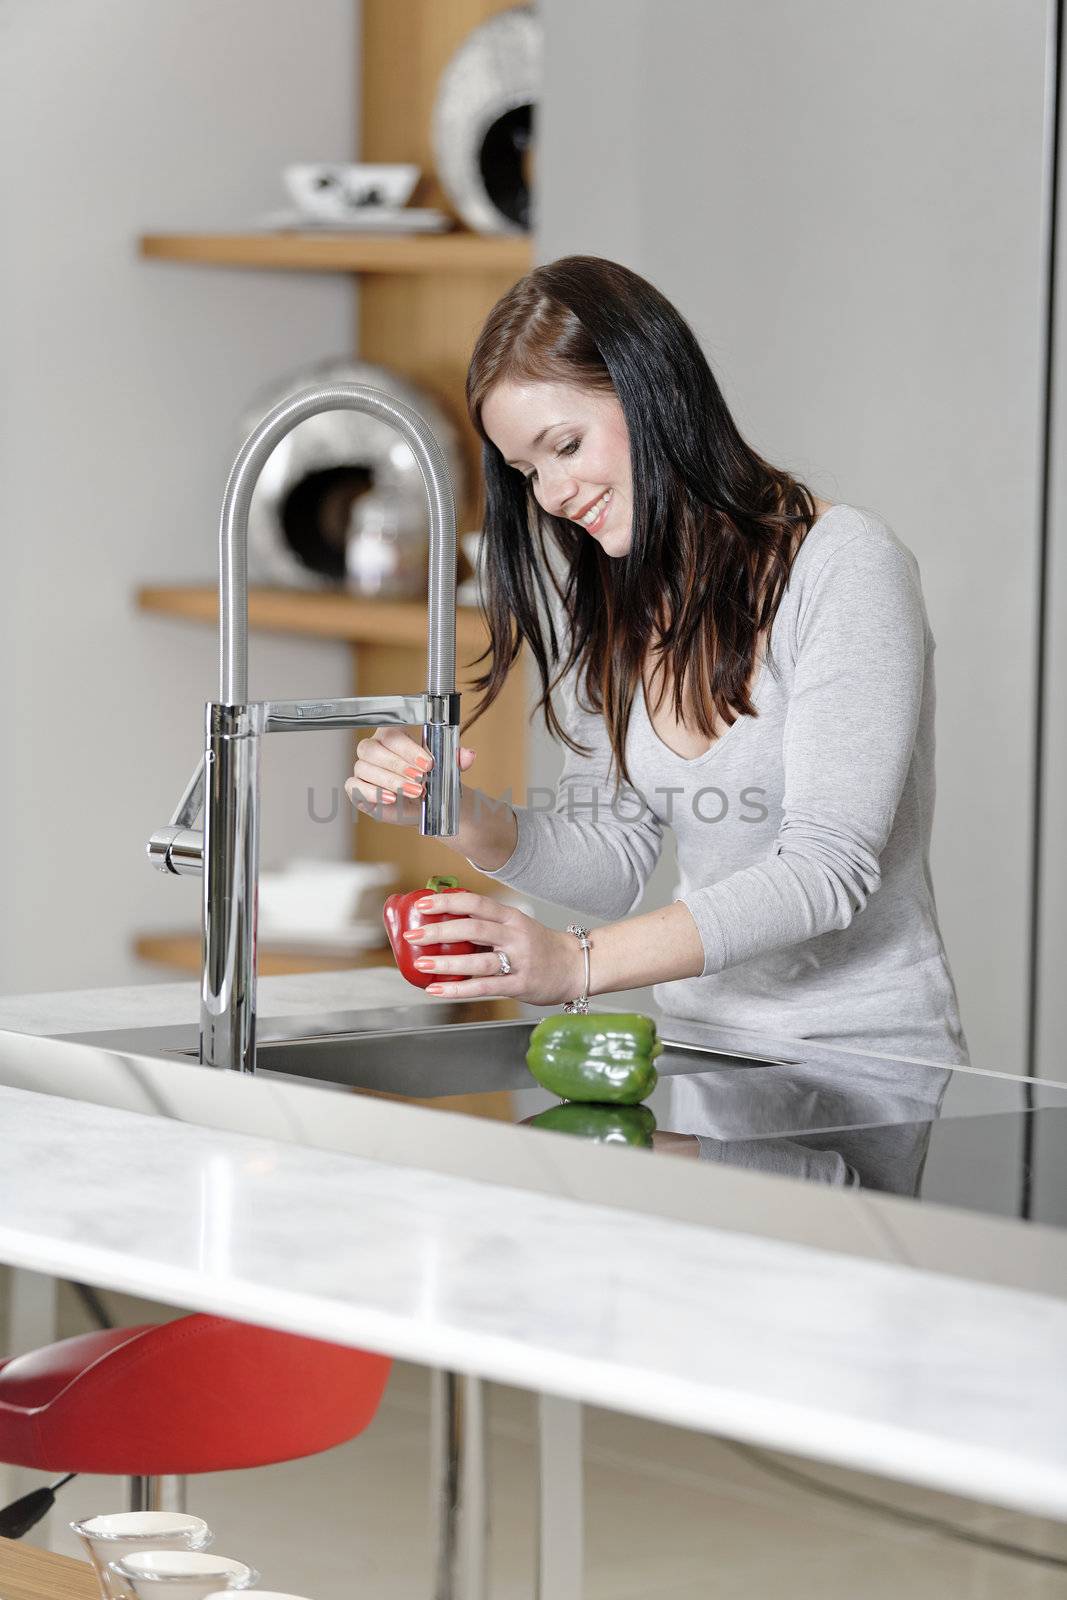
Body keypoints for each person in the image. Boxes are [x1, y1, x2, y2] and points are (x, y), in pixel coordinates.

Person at [345, 256, 970, 1066]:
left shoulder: (844, 565)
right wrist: (460, 811)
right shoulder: (611, 601)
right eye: (528, 471)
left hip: (867, 1064)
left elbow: (826, 871)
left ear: (650, 391)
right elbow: (610, 863)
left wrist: (576, 963)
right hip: (698, 1053)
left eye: (565, 445)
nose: (551, 495)